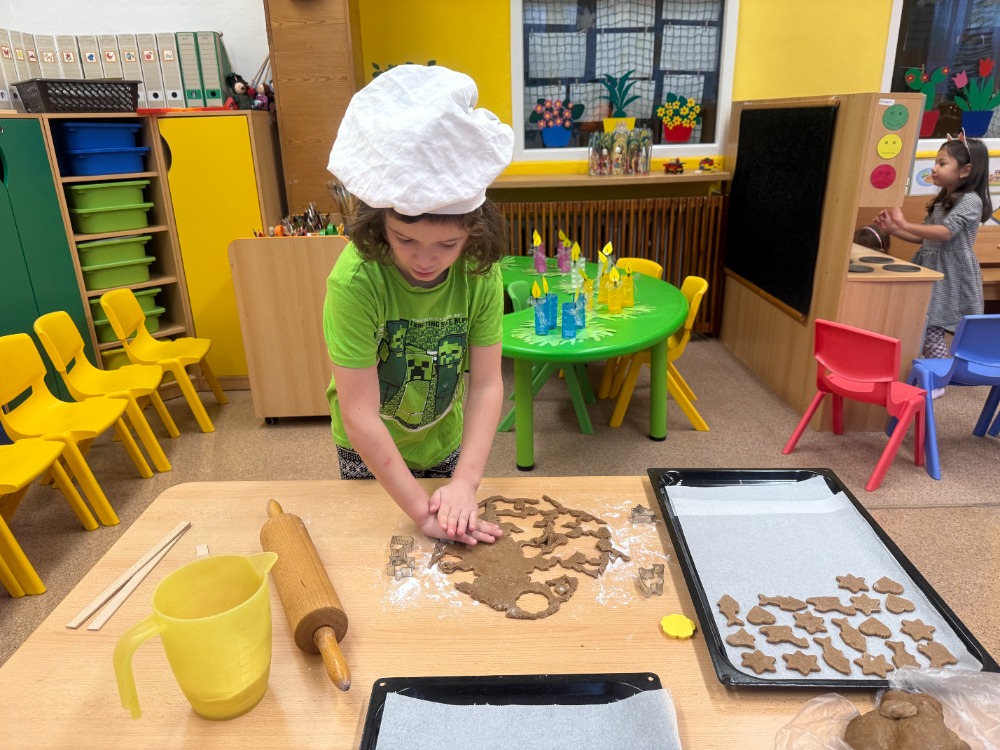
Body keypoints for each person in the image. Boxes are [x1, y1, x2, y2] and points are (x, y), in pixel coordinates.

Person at [323, 65, 513, 546]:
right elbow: (361, 414)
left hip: (442, 437)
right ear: (379, 223)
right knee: (375, 548)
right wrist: (418, 512)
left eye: (447, 245)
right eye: (405, 239)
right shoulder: (355, 281)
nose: (425, 261)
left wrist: (465, 482)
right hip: (368, 449)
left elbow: (487, 384)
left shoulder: (479, 271)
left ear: (473, 231)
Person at [875, 131, 988, 368]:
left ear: (965, 170)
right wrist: (895, 229)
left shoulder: (971, 200)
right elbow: (923, 237)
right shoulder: (942, 200)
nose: (934, 168)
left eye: (942, 163)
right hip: (931, 270)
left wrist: (905, 224)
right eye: (935, 162)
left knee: (931, 327)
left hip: (951, 275)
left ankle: (937, 376)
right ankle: (935, 372)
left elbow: (946, 232)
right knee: (923, 325)